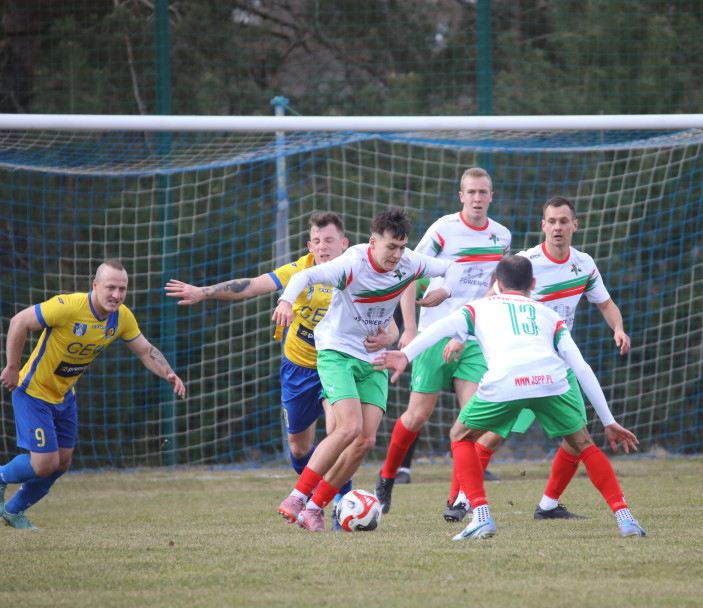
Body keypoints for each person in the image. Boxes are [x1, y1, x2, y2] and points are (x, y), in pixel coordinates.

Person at [373, 255, 643, 540]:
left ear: (497, 285)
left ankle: (480, 515)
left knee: (461, 435)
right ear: (533, 285)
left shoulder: (478, 308)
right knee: (584, 444)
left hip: (506, 381)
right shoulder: (550, 315)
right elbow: (581, 367)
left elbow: (438, 329)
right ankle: (625, 519)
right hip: (550, 381)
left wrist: (405, 354)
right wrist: (609, 420)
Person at [165, 212, 396, 524]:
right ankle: (318, 496)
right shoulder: (301, 270)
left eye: (329, 240)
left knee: (342, 430)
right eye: (316, 241)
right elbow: (250, 286)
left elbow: (389, 323)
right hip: (298, 369)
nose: (322, 246)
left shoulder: (358, 271)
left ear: (344, 243)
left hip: (338, 365)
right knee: (300, 449)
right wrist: (202, 292)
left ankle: (335, 502)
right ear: (309, 245)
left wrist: (391, 336)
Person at [449, 196, 636, 525]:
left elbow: (606, 304)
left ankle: (548, 504)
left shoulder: (584, 264)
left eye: (564, 221)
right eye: (551, 221)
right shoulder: (526, 264)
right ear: (543, 226)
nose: (558, 227)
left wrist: (618, 328)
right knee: (491, 433)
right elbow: (488, 302)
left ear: (574, 225)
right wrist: (461, 335)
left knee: (576, 438)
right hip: (523, 364)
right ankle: (462, 498)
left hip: (559, 369)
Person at [273, 208, 461, 532]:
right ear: (373, 242)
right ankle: (297, 496)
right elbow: (305, 276)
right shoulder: (354, 263)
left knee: (365, 440)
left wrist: (445, 290)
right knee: (347, 428)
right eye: (391, 247)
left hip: (374, 358)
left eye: (402, 247)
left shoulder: (408, 263)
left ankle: (315, 507)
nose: (398, 255)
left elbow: (453, 268)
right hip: (336, 351)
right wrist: (287, 301)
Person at [0, 260, 186, 529]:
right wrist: (12, 366)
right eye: (111, 287)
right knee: (45, 463)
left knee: (62, 463)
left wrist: (168, 373)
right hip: (33, 392)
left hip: (65, 396)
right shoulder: (69, 307)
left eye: (122, 289)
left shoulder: (122, 317)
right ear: (95, 285)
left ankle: (14, 511)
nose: (116, 294)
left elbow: (144, 350)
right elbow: (18, 322)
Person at [374, 167, 511, 519]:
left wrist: (473, 330)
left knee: (474, 420)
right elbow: (408, 274)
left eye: (484, 192)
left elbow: (492, 286)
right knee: (418, 415)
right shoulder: (443, 230)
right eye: (471, 192)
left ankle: (457, 500)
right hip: (435, 334)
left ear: (491, 197)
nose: (478, 198)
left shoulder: (502, 236)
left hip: (473, 336)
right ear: (461, 196)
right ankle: (387, 478)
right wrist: (409, 329)